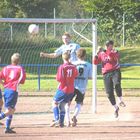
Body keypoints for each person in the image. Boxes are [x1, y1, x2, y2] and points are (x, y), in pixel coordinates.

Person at [93, 40, 125, 118]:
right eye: (107, 45)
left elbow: (112, 56)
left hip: (115, 71)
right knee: (109, 93)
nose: (108, 46)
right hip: (106, 74)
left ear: (112, 45)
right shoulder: (101, 53)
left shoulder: (115, 51)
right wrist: (97, 53)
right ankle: (115, 108)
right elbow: (95, 62)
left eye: (110, 45)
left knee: (117, 83)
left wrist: (105, 51)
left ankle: (120, 100)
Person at [65, 48, 92, 127]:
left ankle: (67, 120)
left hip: (71, 86)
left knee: (68, 103)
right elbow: (90, 77)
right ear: (85, 55)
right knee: (79, 103)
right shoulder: (89, 65)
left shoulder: (72, 63)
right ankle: (74, 116)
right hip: (82, 87)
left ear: (76, 55)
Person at [0, 53, 26, 133]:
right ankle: (1, 118)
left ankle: (7, 128)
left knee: (10, 109)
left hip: (6, 89)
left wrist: (4, 84)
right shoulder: (20, 68)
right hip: (13, 90)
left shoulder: (6, 68)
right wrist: (17, 82)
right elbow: (22, 80)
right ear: (19, 61)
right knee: (11, 110)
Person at [51, 52, 78, 127]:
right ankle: (61, 122)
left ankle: (56, 120)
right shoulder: (73, 66)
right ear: (69, 57)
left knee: (54, 102)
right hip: (71, 89)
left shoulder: (62, 67)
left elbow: (59, 79)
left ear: (63, 57)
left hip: (63, 88)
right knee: (62, 104)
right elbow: (76, 75)